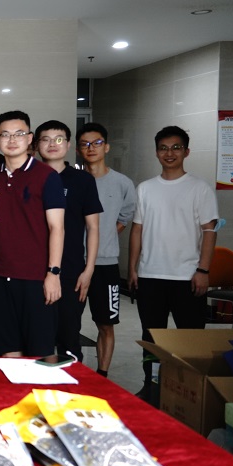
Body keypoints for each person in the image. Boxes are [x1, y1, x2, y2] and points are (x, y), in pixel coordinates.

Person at [129, 126, 217, 399]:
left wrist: (203, 270)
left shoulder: (200, 188)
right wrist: (133, 268)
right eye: (164, 148)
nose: (170, 153)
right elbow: (137, 230)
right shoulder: (145, 188)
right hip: (151, 276)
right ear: (157, 152)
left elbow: (209, 231)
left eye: (176, 147)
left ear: (186, 152)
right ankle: (152, 386)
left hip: (188, 277)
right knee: (151, 338)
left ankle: (191, 393)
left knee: (190, 340)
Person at [0, 110, 65, 358]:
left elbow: (57, 228)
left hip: (35, 278)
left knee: (40, 352)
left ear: (30, 139)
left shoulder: (47, 176)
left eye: (18, 134)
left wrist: (53, 273)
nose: (12, 140)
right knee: (6, 351)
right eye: (5, 134)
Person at [35, 120, 103, 363]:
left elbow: (93, 227)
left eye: (58, 139)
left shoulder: (82, 180)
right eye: (46, 139)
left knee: (69, 335)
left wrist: (89, 269)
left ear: (68, 144)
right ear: (36, 144)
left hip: (71, 270)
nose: (52, 144)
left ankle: (70, 382)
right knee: (37, 337)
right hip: (34, 269)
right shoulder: (30, 177)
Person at [77, 122, 136, 377]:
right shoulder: (74, 181)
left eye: (97, 143)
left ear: (107, 147)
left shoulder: (122, 183)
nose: (91, 148)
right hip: (74, 263)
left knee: (106, 324)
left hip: (106, 265)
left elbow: (125, 217)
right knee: (69, 323)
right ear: (78, 150)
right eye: (85, 144)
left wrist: (106, 237)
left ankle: (102, 375)